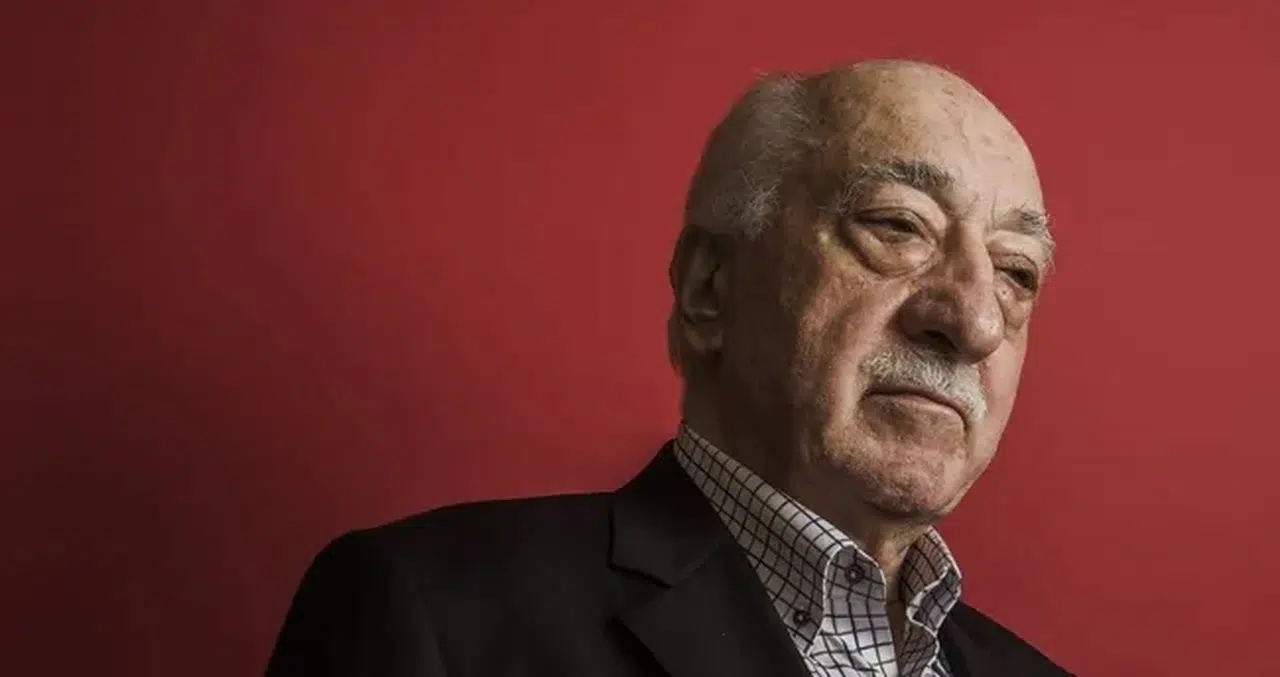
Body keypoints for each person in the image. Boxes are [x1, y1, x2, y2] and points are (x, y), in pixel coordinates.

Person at [265, 59, 1073, 677]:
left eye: (1017, 271)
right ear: (709, 289)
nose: (975, 320)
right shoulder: (434, 616)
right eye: (898, 226)